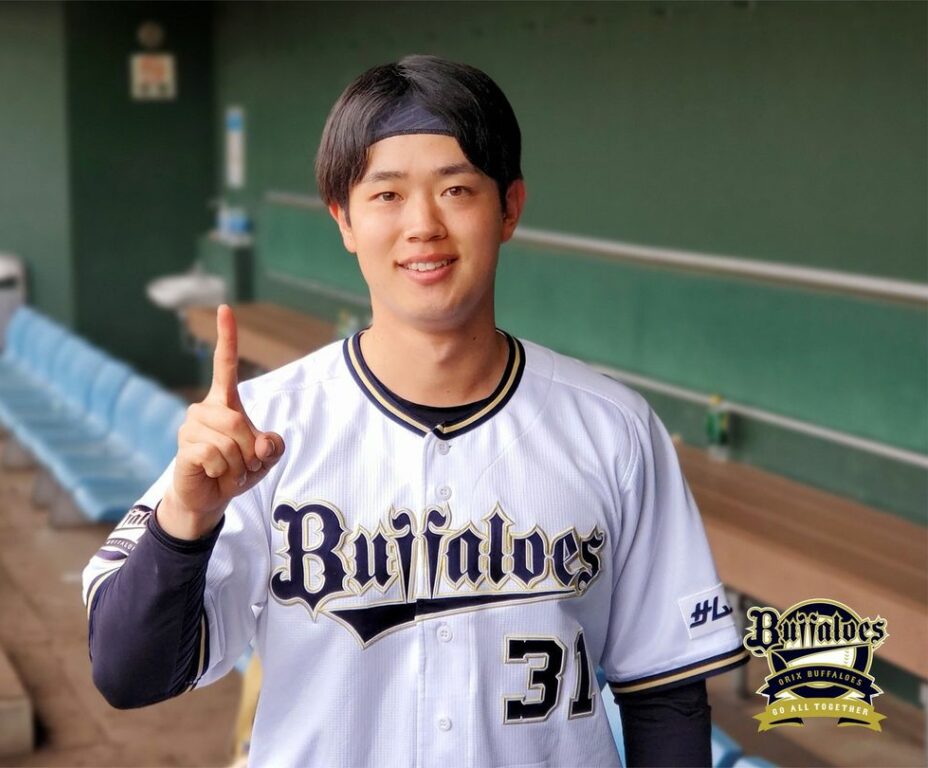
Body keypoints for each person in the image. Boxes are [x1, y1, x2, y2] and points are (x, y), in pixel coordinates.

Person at [83, 54, 747, 767]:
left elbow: (666, 695)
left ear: (510, 207)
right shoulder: (266, 428)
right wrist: (186, 519)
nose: (423, 225)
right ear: (343, 218)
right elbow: (127, 673)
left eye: (456, 189)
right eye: (387, 194)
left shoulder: (613, 429)